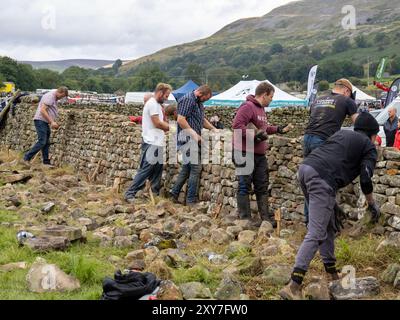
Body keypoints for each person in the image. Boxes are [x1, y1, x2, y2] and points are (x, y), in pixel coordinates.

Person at [279, 112, 381, 300]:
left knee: (328, 226)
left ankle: (333, 275)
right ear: (373, 134)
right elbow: (366, 178)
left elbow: (329, 157)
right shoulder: (368, 145)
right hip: (322, 179)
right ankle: (294, 285)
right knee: (316, 232)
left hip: (305, 169)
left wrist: (331, 202)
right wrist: (372, 204)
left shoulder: (341, 134)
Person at [232, 82, 292, 227]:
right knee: (244, 185)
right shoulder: (247, 106)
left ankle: (265, 220)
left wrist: (279, 129)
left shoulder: (261, 110)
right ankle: (245, 219)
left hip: (258, 154)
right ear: (264, 94)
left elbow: (263, 129)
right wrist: (254, 136)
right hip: (244, 152)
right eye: (271, 97)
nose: (272, 100)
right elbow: (237, 126)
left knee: (262, 185)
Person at [303, 79, 359, 224]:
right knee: (324, 183)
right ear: (347, 91)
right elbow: (359, 124)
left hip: (307, 139)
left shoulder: (318, 99)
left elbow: (314, 119)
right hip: (323, 141)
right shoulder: (347, 101)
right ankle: (324, 224)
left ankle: (309, 222)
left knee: (309, 182)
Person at [169, 85, 216, 208]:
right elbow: (180, 119)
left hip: (191, 139)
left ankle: (173, 194)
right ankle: (190, 200)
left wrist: (214, 129)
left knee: (186, 169)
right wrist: (194, 134)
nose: (205, 101)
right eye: (206, 98)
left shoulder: (198, 101)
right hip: (187, 139)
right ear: (201, 94)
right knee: (195, 168)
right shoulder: (188, 99)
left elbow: (201, 119)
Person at [124, 83, 172, 203]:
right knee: (146, 169)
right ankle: (130, 193)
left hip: (157, 142)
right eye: (166, 95)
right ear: (160, 93)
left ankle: (153, 194)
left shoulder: (156, 105)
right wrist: (172, 128)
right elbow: (157, 123)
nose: (167, 98)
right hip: (152, 142)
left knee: (157, 170)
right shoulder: (152, 104)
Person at [23, 87, 69, 165]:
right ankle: (26, 157)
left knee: (46, 143)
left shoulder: (54, 95)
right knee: (42, 142)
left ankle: (46, 162)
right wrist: (52, 122)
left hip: (44, 121)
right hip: (40, 121)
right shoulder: (50, 96)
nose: (61, 98)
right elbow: (42, 110)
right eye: (61, 96)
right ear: (60, 92)